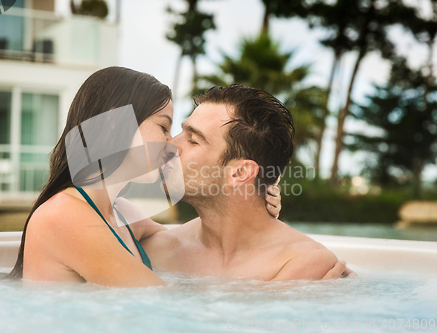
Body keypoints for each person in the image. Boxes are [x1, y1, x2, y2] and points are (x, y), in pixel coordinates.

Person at [8, 67, 287, 287]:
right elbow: (161, 308)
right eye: (164, 127)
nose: (170, 145)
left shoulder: (122, 213)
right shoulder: (66, 217)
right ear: (116, 124)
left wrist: (251, 199)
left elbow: (188, 242)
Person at [141, 84, 356, 281]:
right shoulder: (156, 248)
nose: (169, 145)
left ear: (241, 172)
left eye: (193, 140)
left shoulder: (300, 263)